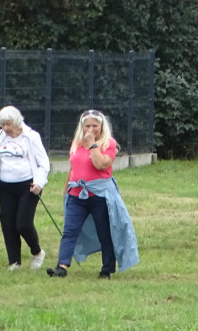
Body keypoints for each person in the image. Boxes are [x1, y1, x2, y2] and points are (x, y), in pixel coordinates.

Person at [47, 110, 138, 279]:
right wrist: (66, 190)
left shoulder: (109, 144)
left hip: (100, 195)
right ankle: (62, 266)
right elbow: (72, 167)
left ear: (102, 126)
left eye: (94, 126)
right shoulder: (76, 143)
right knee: (69, 231)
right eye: (87, 125)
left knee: (105, 233)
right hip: (77, 195)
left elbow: (101, 165)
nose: (91, 129)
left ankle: (107, 270)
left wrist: (92, 145)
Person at [0, 106, 49, 270]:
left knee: (22, 223)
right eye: (2, 125)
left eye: (8, 124)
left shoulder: (31, 137)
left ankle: (37, 252)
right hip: (5, 185)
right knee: (8, 224)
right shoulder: (0, 136)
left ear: (16, 122)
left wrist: (39, 183)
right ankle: (14, 262)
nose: (5, 128)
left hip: (28, 186)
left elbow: (43, 163)